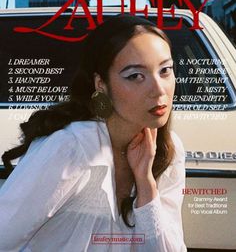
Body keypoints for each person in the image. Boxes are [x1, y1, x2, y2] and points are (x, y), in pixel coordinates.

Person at [0, 14, 187, 252]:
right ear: (101, 85)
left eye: (165, 70)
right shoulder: (69, 148)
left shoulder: (169, 148)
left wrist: (146, 185)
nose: (159, 90)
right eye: (135, 76)